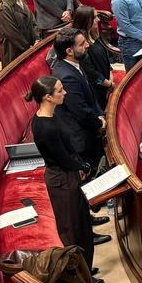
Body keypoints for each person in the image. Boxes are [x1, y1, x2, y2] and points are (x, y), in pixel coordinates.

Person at [26, 76, 100, 283]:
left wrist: (79, 165)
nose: (64, 92)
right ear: (48, 97)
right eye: (59, 91)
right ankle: (81, 279)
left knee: (82, 225)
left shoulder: (52, 116)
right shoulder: (45, 126)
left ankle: (87, 271)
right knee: (72, 230)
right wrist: (81, 166)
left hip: (68, 174)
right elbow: (62, 157)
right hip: (62, 179)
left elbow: (67, 150)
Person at [52, 28, 107, 176]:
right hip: (81, 139)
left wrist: (100, 115)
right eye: (82, 44)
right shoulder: (66, 76)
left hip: (90, 129)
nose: (88, 45)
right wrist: (99, 123)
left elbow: (91, 95)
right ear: (70, 51)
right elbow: (80, 112)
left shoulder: (74, 63)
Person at [72, 6, 115, 111]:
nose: (98, 19)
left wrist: (110, 77)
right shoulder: (81, 45)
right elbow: (91, 74)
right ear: (86, 20)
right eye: (95, 17)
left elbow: (105, 58)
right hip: (97, 91)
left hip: (106, 82)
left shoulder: (94, 35)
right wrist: (108, 84)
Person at [0, 0, 37, 67]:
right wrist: (28, 48)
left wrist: (37, 39)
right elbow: (12, 33)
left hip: (30, 46)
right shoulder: (3, 7)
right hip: (15, 52)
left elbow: (32, 20)